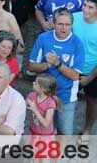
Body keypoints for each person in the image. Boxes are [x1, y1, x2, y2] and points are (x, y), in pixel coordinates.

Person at [28, 8, 85, 136]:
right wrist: (46, 65)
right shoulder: (43, 38)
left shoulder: (77, 44)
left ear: (72, 25)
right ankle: (44, 154)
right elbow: (31, 66)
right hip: (44, 95)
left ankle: (60, 156)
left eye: (67, 25)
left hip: (66, 96)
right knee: (43, 129)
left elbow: (76, 76)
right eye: (60, 24)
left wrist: (57, 63)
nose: (64, 28)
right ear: (53, 23)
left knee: (64, 132)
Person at [73, 0, 97, 140]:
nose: (85, 10)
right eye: (84, 5)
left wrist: (89, 78)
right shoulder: (73, 18)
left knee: (92, 101)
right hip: (71, 69)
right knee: (63, 99)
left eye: (90, 7)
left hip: (93, 71)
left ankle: (87, 129)